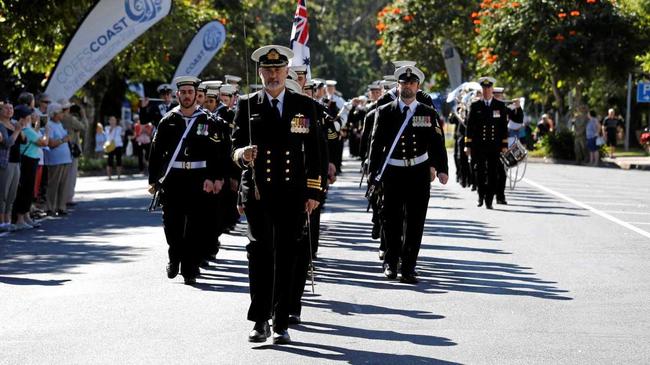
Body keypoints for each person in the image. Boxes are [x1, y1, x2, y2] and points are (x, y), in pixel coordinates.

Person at [232, 45, 322, 345]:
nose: (273, 74)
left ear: (287, 71)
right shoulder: (247, 104)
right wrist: (242, 154)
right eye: (267, 70)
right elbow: (232, 150)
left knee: (287, 255)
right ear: (260, 72)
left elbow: (316, 152)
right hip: (258, 192)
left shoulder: (303, 105)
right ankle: (260, 319)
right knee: (259, 253)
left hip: (292, 193)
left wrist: (313, 191)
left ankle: (281, 321)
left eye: (278, 69)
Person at [368, 65, 448, 284]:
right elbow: (376, 145)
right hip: (393, 172)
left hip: (418, 173)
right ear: (398, 85)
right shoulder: (385, 111)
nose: (408, 87)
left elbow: (437, 143)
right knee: (391, 220)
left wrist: (442, 168)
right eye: (404, 83)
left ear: (417, 86)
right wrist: (373, 174)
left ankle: (409, 267)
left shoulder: (428, 112)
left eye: (411, 83)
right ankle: (391, 264)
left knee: (415, 221)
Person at [148, 76, 230, 285]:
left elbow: (217, 152)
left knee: (196, 224)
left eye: (190, 92)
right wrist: (154, 180)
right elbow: (156, 152)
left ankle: (190, 267)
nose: (186, 96)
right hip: (174, 179)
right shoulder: (168, 120)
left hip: (199, 178)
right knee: (172, 224)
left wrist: (217, 178)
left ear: (195, 95)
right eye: (183, 92)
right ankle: (174, 256)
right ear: (178, 95)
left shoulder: (207, 120)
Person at [464, 77, 508, 210]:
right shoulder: (476, 105)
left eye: (489, 88)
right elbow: (469, 127)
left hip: (494, 146)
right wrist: (468, 145)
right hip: (479, 145)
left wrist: (504, 145)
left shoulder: (500, 106)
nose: (487, 90)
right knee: (480, 171)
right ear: (482, 89)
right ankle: (481, 195)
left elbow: (503, 128)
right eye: (484, 88)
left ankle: (489, 200)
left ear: (492, 89)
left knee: (493, 173)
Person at [14, 107, 48, 229]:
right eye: (29, 115)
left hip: (31, 160)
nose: (32, 117)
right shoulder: (26, 130)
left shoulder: (28, 129)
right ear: (23, 118)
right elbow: (44, 142)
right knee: (25, 190)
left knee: (28, 190)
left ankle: (26, 217)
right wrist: (47, 132)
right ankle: (20, 218)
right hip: (28, 161)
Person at [44, 102, 73, 216]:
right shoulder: (49, 125)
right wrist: (63, 140)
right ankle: (50, 207)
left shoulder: (59, 124)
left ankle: (61, 206)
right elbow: (50, 143)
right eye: (60, 112)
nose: (63, 114)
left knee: (63, 184)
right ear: (54, 113)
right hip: (55, 160)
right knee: (53, 184)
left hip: (65, 159)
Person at [0, 102, 25, 231]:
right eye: (6, 108)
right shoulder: (1, 126)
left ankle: (8, 220)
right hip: (5, 162)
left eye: (11, 108)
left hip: (16, 162)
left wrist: (20, 129)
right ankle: (2, 222)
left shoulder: (14, 124)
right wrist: (16, 131)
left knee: (12, 194)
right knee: (3, 192)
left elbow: (24, 140)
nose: (9, 110)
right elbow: (7, 143)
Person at [59, 98, 87, 206]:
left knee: (60, 176)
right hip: (71, 148)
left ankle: (60, 200)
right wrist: (83, 115)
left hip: (59, 148)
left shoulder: (56, 119)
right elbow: (84, 127)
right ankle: (68, 198)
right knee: (71, 175)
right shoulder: (70, 119)